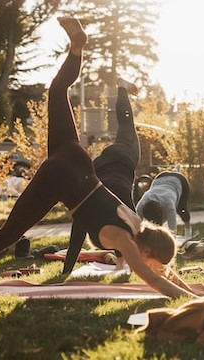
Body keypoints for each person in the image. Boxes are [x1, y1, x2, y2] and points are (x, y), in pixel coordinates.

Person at [0, 17, 197, 298]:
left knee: (58, 91)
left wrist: (190, 287)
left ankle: (76, 50)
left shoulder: (138, 223)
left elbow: (162, 271)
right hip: (63, 178)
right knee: (8, 234)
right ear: (146, 251)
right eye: (152, 261)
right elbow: (154, 280)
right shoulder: (126, 239)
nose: (151, 266)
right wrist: (196, 298)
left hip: (77, 159)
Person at [62, 77, 140, 274]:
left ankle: (122, 87)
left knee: (126, 125)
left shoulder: (107, 210)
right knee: (126, 126)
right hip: (101, 168)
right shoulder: (91, 208)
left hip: (114, 166)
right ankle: (122, 87)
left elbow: (76, 240)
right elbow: (131, 234)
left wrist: (66, 272)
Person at [135, 171, 191, 235]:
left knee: (182, 209)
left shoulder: (169, 206)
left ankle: (188, 232)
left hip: (180, 181)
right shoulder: (142, 205)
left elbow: (173, 231)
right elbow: (135, 224)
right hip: (160, 178)